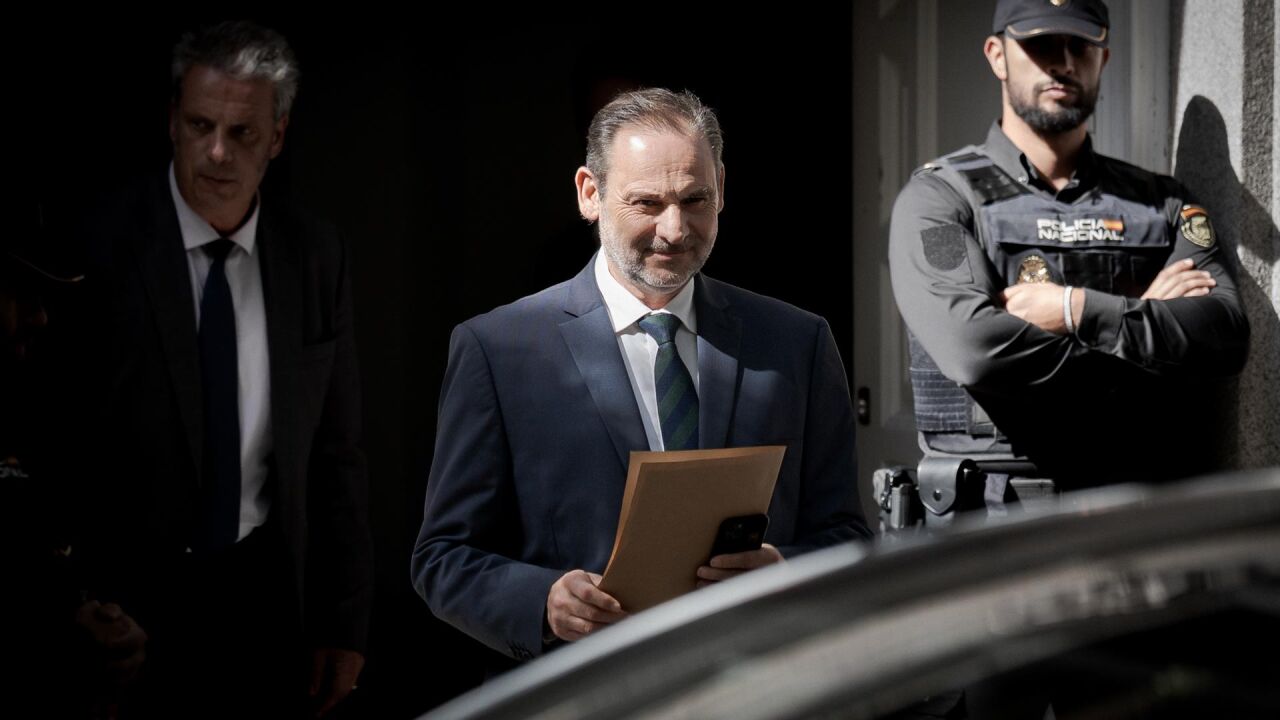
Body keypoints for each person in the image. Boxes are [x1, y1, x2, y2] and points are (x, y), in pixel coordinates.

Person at [412, 87, 871, 669]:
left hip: (757, 684)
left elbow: (846, 534)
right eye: (647, 203)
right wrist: (544, 602)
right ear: (590, 194)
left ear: (722, 187)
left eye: (695, 200)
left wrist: (785, 573)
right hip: (585, 688)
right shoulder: (499, 350)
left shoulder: (796, 342)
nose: (675, 230)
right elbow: (444, 558)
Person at [78, 21, 371, 717]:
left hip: (262, 595)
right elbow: (58, 442)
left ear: (277, 136)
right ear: (172, 122)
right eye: (200, 125)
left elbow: (337, 453)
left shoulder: (313, 255)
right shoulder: (101, 244)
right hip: (125, 606)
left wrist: (343, 622)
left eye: (242, 133)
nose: (216, 151)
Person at [888, 0, 1249, 501]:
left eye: (1080, 46)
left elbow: (1225, 338)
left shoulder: (1161, 203)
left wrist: (1072, 309)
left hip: (1134, 510)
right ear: (997, 55)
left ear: (1103, 59)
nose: (1062, 63)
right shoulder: (940, 199)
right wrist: (1143, 324)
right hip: (994, 510)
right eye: (1040, 45)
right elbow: (975, 351)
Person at [3, 207, 148, 716]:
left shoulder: (33, 413)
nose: (39, 317)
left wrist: (95, 624)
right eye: (18, 294)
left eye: (42, 298)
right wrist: (60, 642)